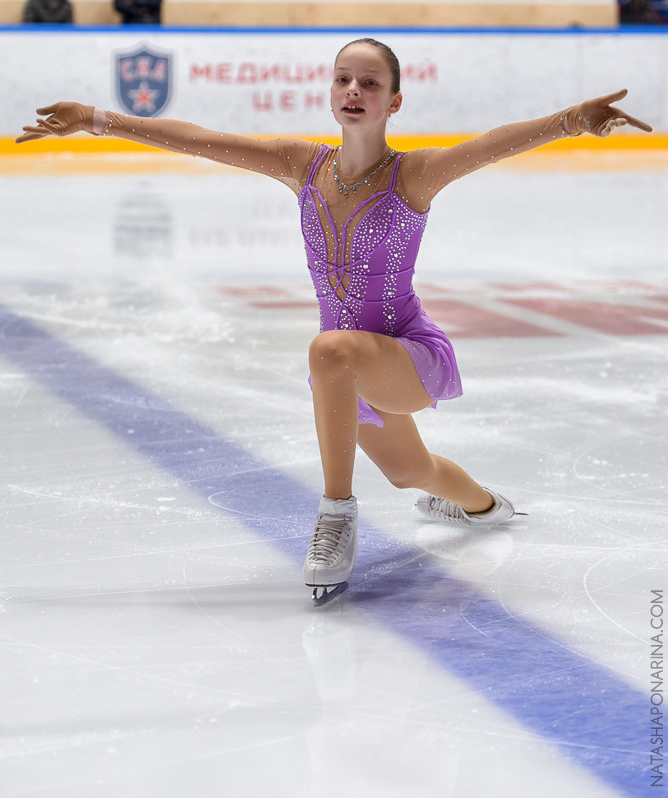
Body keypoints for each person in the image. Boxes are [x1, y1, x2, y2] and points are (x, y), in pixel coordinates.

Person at [17, 38, 652, 604]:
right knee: (412, 472)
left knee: (328, 351)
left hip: (406, 352)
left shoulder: (415, 174)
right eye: (344, 79)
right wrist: (97, 121)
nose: (354, 90)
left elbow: (491, 144)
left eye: (370, 82)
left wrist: (572, 121)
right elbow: (197, 139)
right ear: (330, 91)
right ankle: (484, 507)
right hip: (353, 369)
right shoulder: (304, 165)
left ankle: (336, 516)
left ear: (394, 102)